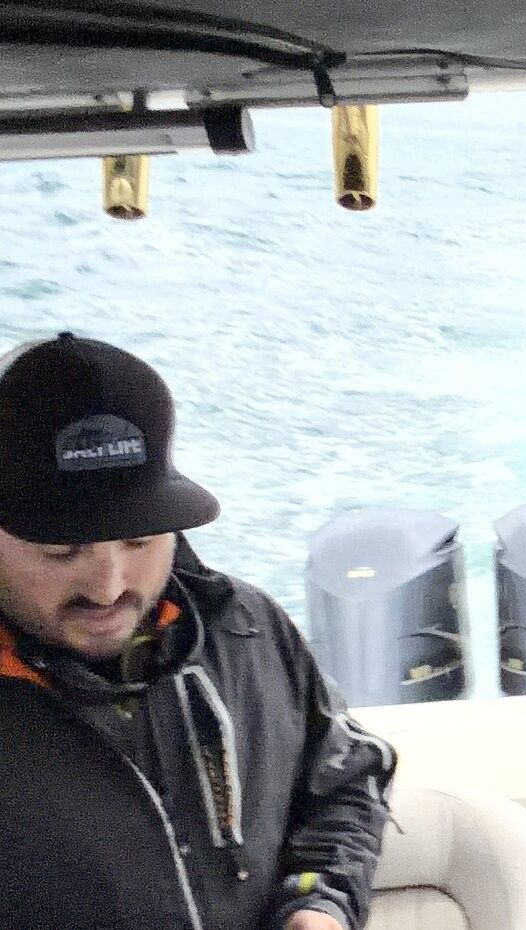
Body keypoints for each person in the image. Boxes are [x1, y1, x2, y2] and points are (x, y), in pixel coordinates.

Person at [0, 333, 395, 930]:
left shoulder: (249, 628)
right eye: (61, 552)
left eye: (139, 540)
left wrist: (320, 900)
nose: (108, 587)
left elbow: (343, 783)